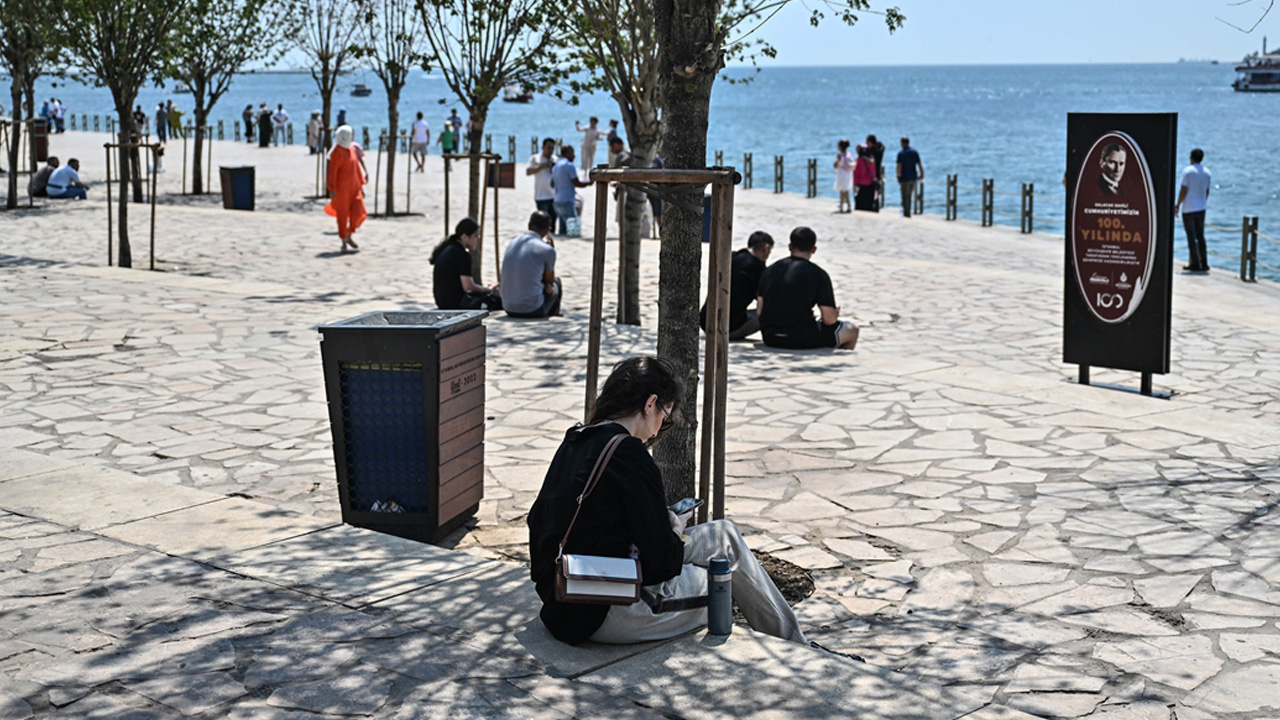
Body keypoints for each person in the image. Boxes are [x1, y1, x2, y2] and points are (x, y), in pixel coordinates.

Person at [528, 356, 808, 646]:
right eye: (665, 417)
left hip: (561, 602)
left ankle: (796, 641)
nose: (660, 428)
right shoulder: (630, 455)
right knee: (721, 580)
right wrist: (673, 527)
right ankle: (799, 647)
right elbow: (662, 563)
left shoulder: (576, 440)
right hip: (604, 611)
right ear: (650, 404)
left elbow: (545, 522)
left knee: (723, 535)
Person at [757, 227, 859, 350]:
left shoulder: (770, 270)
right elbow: (829, 320)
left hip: (770, 337)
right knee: (852, 329)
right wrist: (835, 314)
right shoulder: (819, 274)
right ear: (814, 249)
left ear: (790, 246)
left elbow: (759, 311)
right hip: (800, 338)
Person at [700, 230, 774, 340]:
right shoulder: (757, 267)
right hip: (728, 328)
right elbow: (764, 299)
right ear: (765, 248)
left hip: (705, 321)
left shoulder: (732, 257)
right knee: (770, 312)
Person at [431, 218, 501, 310]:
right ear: (464, 237)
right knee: (497, 301)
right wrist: (488, 289)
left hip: (443, 302)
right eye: (476, 236)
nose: (478, 239)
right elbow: (468, 286)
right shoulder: (461, 255)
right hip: (455, 303)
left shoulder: (448, 249)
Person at [502, 211, 561, 318]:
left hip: (508, 307)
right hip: (532, 309)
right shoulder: (547, 250)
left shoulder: (513, 242)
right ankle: (553, 314)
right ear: (548, 229)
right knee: (557, 283)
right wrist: (552, 249)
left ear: (529, 225)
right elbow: (549, 280)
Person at [325, 126, 367, 251]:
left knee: (359, 211)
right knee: (342, 215)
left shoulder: (352, 149)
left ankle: (349, 233)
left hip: (354, 187)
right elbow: (332, 171)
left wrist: (361, 184)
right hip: (341, 189)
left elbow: (356, 168)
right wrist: (331, 188)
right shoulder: (336, 152)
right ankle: (343, 239)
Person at [1175, 148, 1212, 273]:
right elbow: (1207, 191)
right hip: (1201, 207)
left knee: (1191, 236)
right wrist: (1203, 202)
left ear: (1191, 158)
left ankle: (1194, 263)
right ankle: (1204, 262)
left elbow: (1183, 190)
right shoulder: (1207, 172)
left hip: (1189, 208)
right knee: (1200, 236)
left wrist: (1177, 205)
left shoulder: (1187, 171)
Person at [552, 145, 590, 235]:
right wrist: (588, 183)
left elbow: (552, 183)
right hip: (567, 201)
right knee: (572, 230)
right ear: (567, 153)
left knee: (562, 230)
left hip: (557, 201)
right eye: (572, 153)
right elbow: (576, 182)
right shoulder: (569, 165)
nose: (574, 155)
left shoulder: (556, 166)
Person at [527, 137, 558, 226]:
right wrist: (542, 166)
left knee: (553, 221)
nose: (550, 150)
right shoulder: (535, 158)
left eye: (552, 148)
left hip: (554, 195)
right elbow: (528, 172)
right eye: (548, 148)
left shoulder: (555, 159)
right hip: (541, 196)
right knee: (543, 221)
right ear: (543, 147)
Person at [895, 136, 923, 218]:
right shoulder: (914, 152)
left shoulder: (901, 153)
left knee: (904, 196)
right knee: (910, 195)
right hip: (913, 177)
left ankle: (906, 212)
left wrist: (898, 175)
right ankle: (908, 211)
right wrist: (922, 174)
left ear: (902, 143)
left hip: (905, 178)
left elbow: (899, 166)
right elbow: (919, 164)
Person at [853, 143, 878, 212]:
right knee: (868, 204)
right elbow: (874, 173)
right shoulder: (871, 161)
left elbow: (855, 174)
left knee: (860, 205)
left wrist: (854, 185)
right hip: (870, 184)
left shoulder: (857, 160)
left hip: (860, 184)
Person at [832, 140, 854, 213]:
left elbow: (835, 165)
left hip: (841, 173)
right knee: (845, 190)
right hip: (848, 173)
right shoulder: (849, 154)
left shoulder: (839, 155)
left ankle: (844, 206)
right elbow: (853, 163)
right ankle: (846, 205)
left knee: (843, 191)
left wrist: (837, 162)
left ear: (840, 147)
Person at [865, 134, 885, 212]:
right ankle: (876, 206)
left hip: (869, 175)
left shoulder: (868, 151)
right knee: (876, 191)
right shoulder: (879, 151)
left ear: (870, 142)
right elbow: (883, 148)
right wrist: (880, 144)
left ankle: (870, 206)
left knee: (870, 191)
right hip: (877, 173)